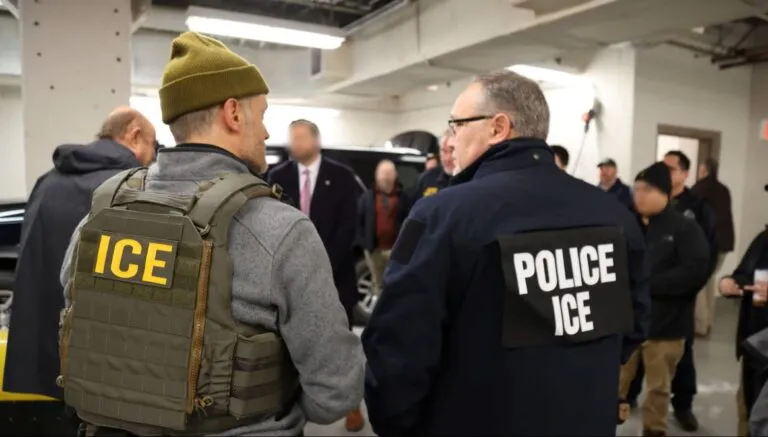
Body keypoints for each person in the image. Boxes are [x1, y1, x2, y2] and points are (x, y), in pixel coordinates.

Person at [57, 32, 363, 437]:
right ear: (234, 113)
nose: (268, 132)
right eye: (263, 113)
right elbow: (335, 393)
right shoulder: (279, 229)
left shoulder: (103, 213)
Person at [361, 70, 650, 436]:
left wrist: (397, 424)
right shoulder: (615, 215)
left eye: (456, 125)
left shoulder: (442, 216)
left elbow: (398, 350)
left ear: (498, 127)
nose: (450, 140)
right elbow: (636, 322)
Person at [2, 107, 156, 435]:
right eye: (153, 146)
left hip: (44, 355)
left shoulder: (49, 180)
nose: (153, 158)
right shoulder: (129, 185)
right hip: (105, 366)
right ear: (134, 134)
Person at [268, 118, 364, 432]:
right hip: (289, 276)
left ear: (316, 141)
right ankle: (290, 402)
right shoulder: (277, 176)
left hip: (336, 273)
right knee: (289, 339)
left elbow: (347, 227)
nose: (293, 144)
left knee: (341, 339)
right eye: (290, 138)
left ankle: (351, 404)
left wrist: (317, 265)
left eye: (299, 137)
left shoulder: (341, 176)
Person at [618, 162, 710, 437]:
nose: (639, 195)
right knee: (616, 382)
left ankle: (654, 431)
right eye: (636, 189)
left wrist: (643, 285)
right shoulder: (628, 225)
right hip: (628, 324)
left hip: (666, 327)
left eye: (647, 190)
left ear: (665, 193)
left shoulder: (684, 228)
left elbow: (693, 273)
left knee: (658, 389)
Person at [717, 228, 768, 436]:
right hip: (755, 347)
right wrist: (728, 283)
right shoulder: (764, 239)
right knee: (748, 410)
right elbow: (743, 274)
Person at [692, 157, 735, 335]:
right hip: (724, 243)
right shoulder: (724, 189)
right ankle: (708, 321)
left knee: (698, 282)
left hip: (707, 243)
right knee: (709, 280)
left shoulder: (699, 189)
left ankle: (701, 325)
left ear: (704, 170)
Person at [357, 160, 411, 296]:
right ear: (376, 176)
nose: (385, 178)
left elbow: (410, 222)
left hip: (396, 251)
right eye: (382, 174)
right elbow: (358, 221)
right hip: (374, 251)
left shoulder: (403, 198)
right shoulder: (367, 197)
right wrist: (364, 243)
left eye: (388, 174)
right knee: (378, 285)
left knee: (396, 285)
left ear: (395, 176)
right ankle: (378, 313)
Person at [413, 129, 456, 200]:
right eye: (444, 151)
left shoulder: (471, 178)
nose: (447, 158)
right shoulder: (427, 178)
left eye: (452, 151)